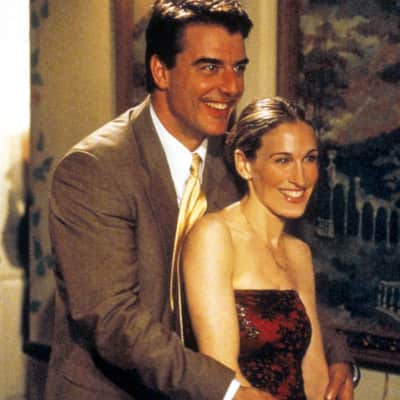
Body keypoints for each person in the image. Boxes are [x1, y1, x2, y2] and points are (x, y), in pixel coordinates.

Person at [45, 1, 355, 399]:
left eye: (238, 68)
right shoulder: (93, 170)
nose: (231, 86)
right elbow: (114, 320)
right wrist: (227, 391)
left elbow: (279, 271)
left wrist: (335, 355)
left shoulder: (237, 161)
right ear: (161, 71)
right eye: (210, 67)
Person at [183, 96, 329, 399]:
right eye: (283, 160)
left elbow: (314, 370)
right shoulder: (215, 236)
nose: (301, 178)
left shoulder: (299, 252)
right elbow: (222, 373)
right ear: (244, 164)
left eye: (310, 159)